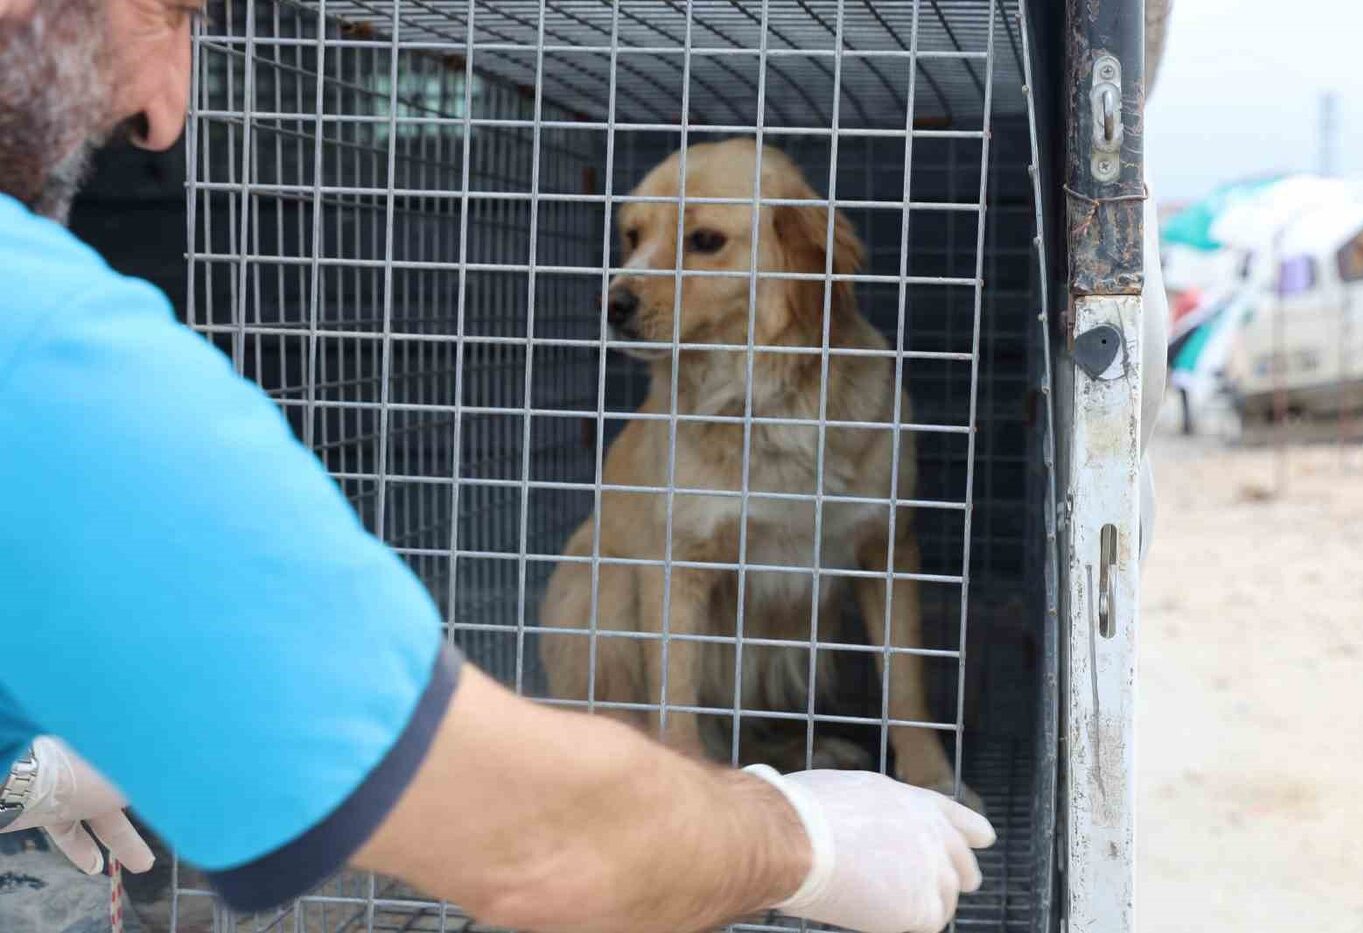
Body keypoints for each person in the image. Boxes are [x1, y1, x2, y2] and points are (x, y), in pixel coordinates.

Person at [0, 2, 994, 931]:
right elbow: (515, 833)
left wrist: (16, 767)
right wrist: (800, 841)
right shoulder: (40, 345)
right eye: (174, 10)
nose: (167, 117)